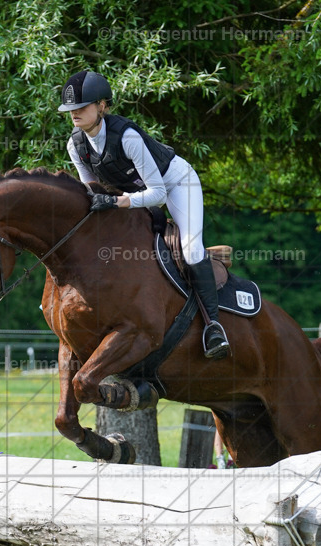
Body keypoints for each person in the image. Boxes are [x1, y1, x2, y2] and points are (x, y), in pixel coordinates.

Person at [59, 70, 229, 360]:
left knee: (189, 249)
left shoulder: (127, 137)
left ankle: (214, 326)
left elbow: (158, 194)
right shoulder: (75, 145)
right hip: (133, 194)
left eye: (82, 106)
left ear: (102, 106)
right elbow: (92, 190)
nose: (75, 113)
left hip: (174, 183)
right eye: (71, 109)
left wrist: (115, 203)